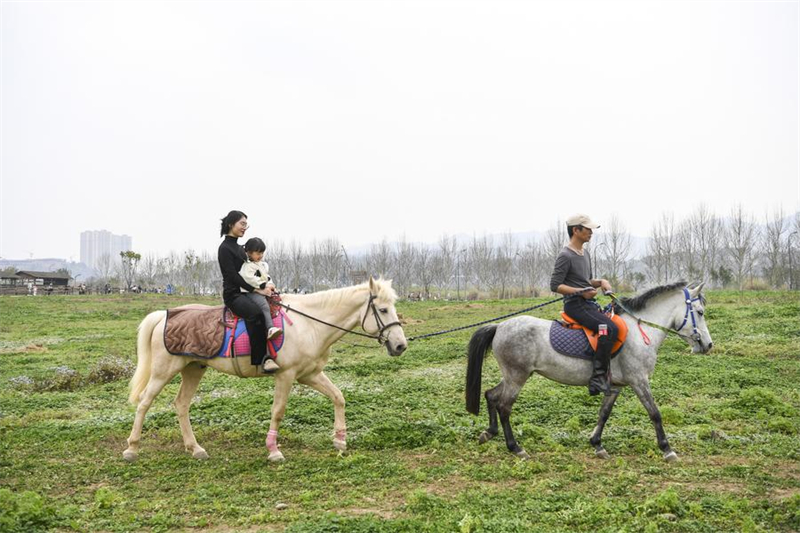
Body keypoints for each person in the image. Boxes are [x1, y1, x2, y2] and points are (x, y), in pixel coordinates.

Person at [550, 214, 617, 396]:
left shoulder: (585, 253)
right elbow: (555, 285)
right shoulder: (565, 255)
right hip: (575, 305)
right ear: (576, 230)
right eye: (587, 229)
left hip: (588, 304)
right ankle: (597, 378)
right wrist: (580, 292)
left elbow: (586, 280)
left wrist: (601, 282)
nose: (591, 232)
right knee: (607, 328)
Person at [217, 210, 275, 373]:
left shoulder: (242, 248)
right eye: (242, 224)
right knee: (256, 314)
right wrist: (257, 289)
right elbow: (232, 276)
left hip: (248, 292)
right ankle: (263, 359)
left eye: (246, 225)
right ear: (231, 224)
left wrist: (266, 285)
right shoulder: (225, 249)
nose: (245, 228)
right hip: (234, 295)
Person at [239, 237, 283, 363]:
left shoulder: (262, 265)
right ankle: (270, 328)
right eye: (258, 253)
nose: (260, 255)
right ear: (248, 252)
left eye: (262, 253)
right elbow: (249, 279)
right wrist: (263, 286)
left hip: (262, 289)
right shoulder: (247, 266)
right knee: (263, 305)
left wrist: (271, 285)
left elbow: (267, 277)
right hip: (250, 292)